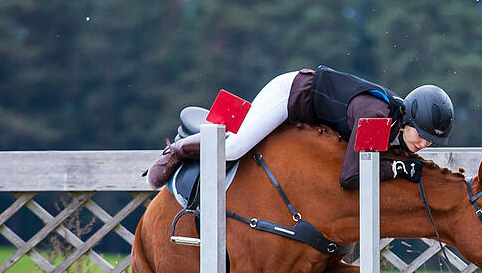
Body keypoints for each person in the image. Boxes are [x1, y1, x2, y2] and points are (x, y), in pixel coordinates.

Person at [145, 65, 454, 188]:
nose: (424, 144)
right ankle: (175, 151)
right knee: (236, 148)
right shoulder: (376, 118)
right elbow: (351, 176)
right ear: (409, 120)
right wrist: (400, 170)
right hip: (291, 95)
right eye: (423, 135)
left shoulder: (396, 124)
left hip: (309, 110)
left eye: (430, 141)